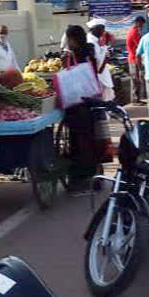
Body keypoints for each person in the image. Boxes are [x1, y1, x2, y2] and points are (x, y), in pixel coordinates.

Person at [61, 25, 103, 193]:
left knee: (79, 142)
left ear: (73, 39)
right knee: (92, 140)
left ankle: (80, 178)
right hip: (92, 101)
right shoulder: (90, 51)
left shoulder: (73, 56)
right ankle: (96, 175)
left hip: (78, 105)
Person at [86, 19, 115, 101]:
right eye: (102, 29)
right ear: (95, 29)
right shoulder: (91, 42)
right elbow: (98, 66)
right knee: (105, 102)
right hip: (99, 79)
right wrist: (106, 57)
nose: (103, 32)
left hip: (102, 78)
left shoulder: (96, 41)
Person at [126, 16, 146, 105]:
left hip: (135, 57)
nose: (142, 26)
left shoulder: (135, 31)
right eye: (141, 24)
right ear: (138, 22)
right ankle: (135, 99)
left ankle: (137, 98)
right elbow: (139, 45)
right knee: (135, 79)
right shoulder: (134, 32)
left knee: (137, 78)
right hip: (134, 58)